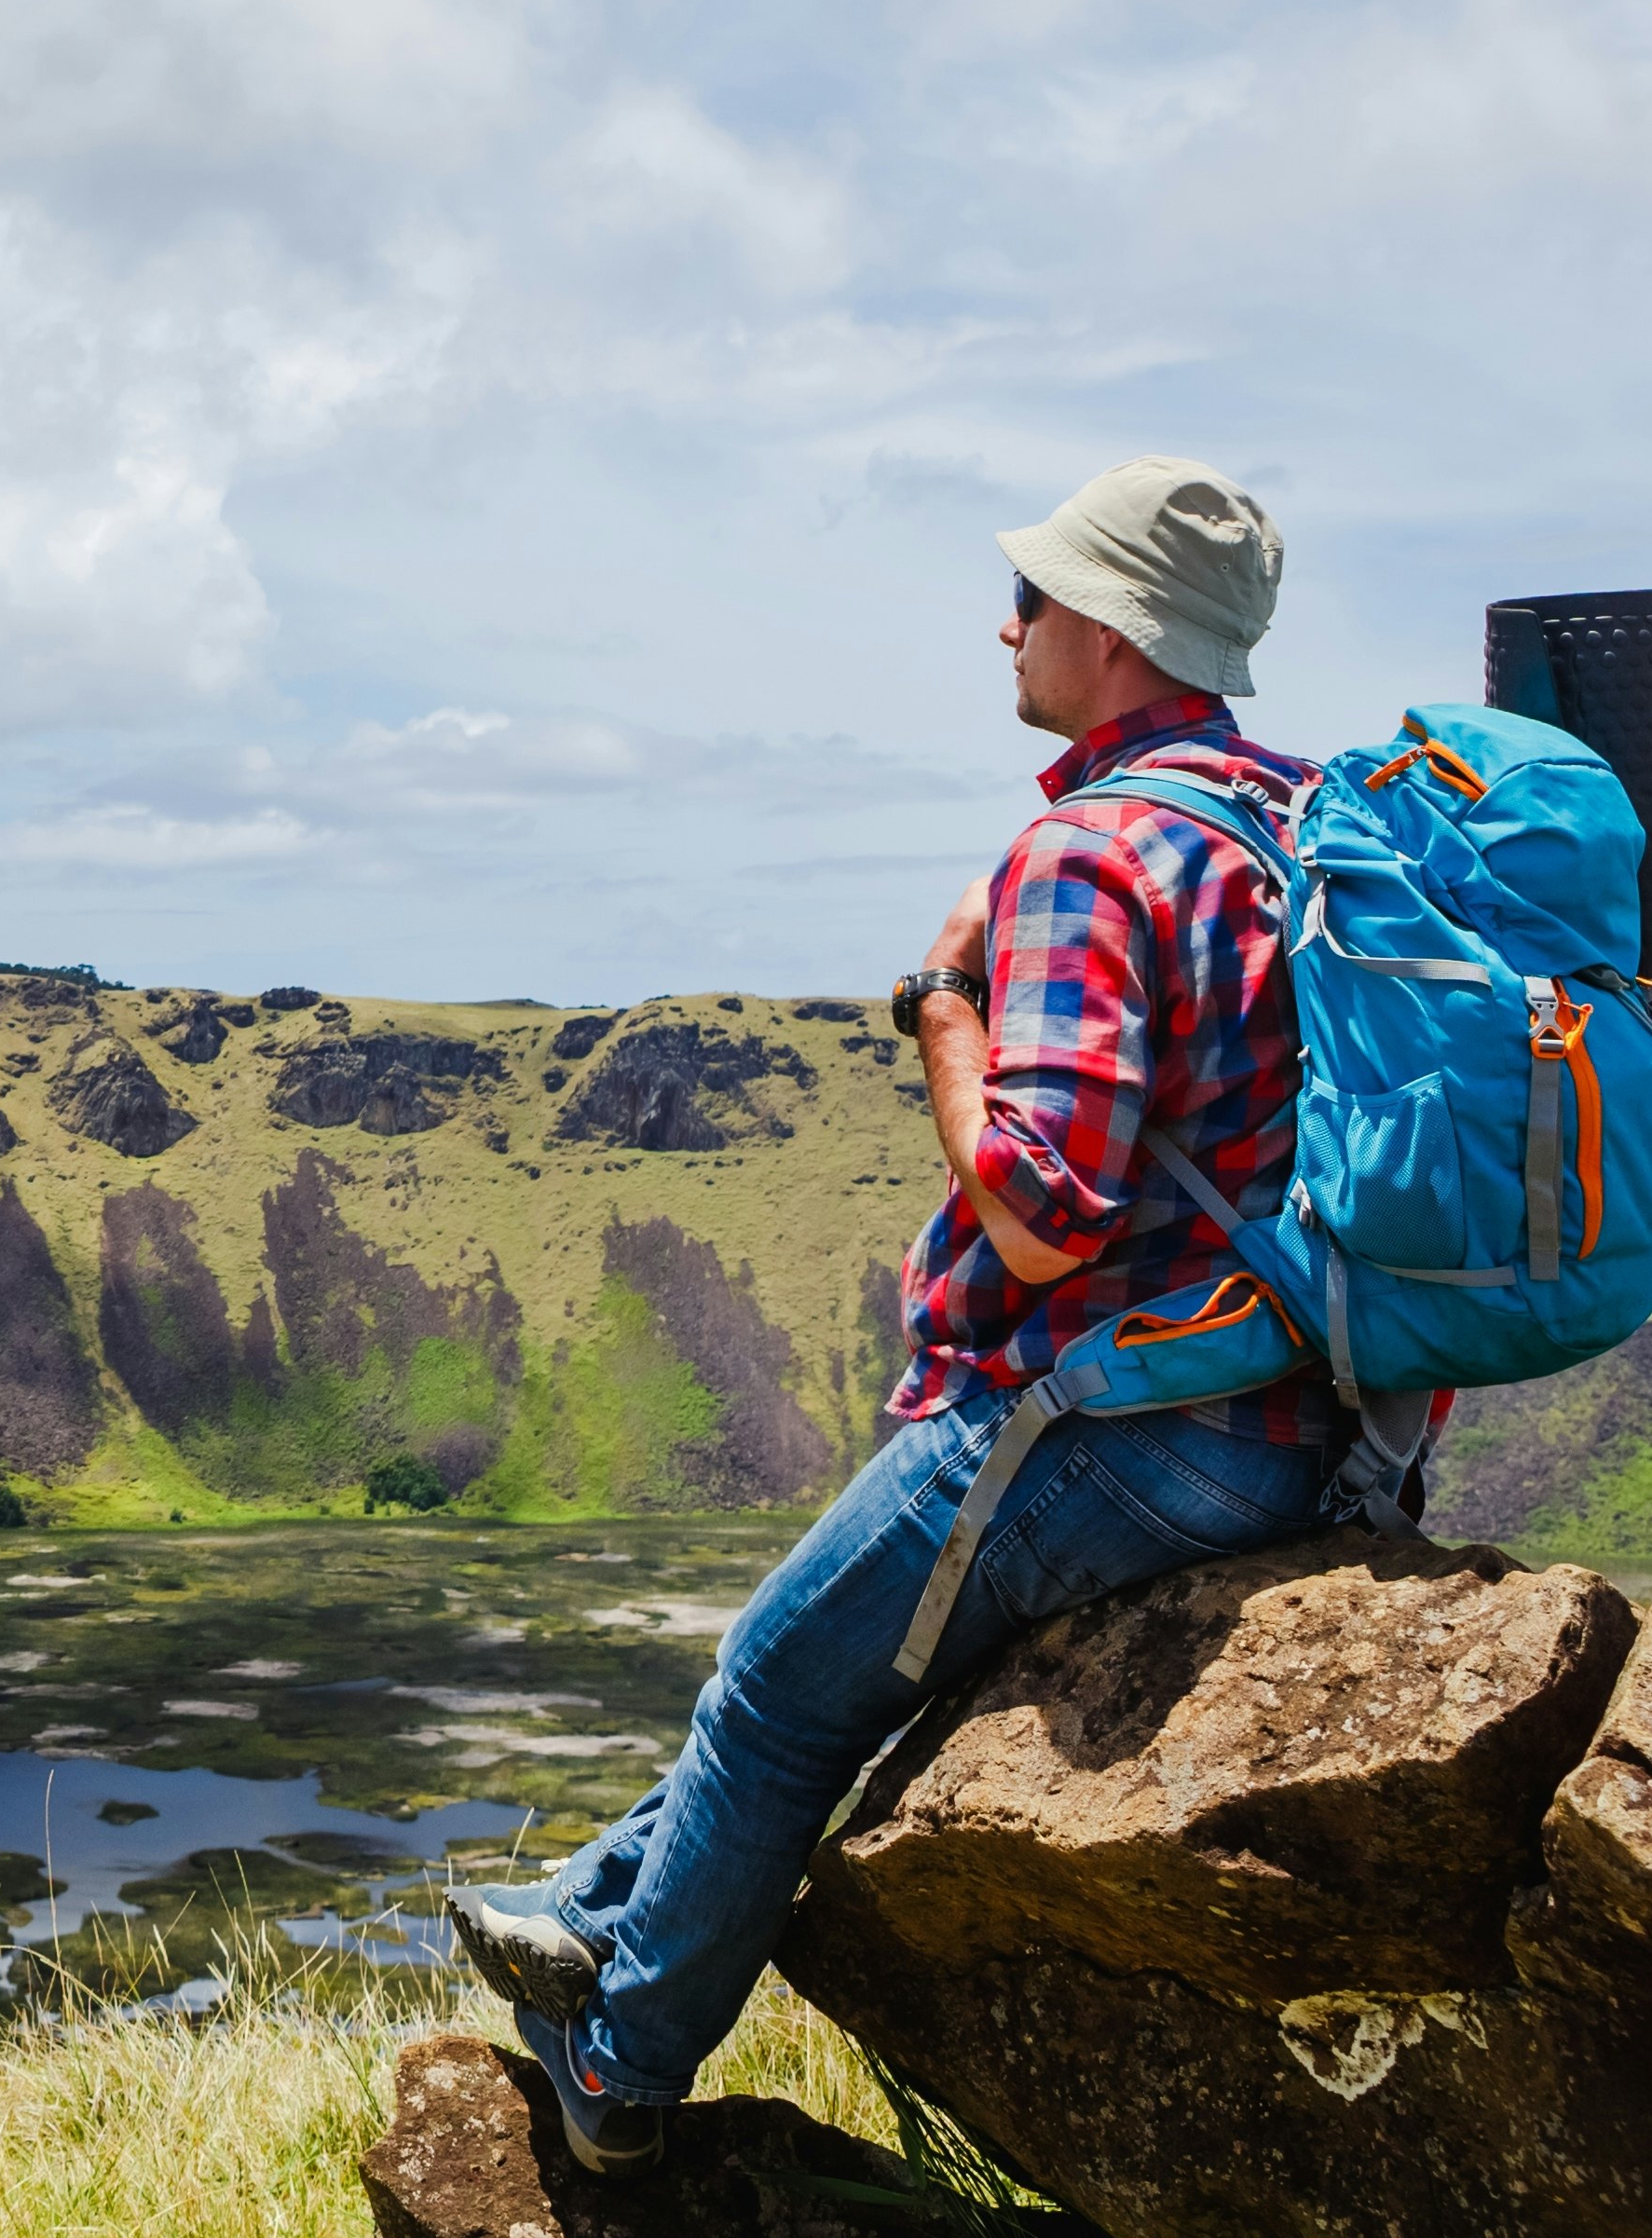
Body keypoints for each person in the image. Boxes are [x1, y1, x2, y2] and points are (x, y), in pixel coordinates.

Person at [444, 455, 1348, 2175]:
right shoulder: (1297, 821)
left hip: (1125, 1422)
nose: (1004, 622)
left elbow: (1038, 1202)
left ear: (1112, 630)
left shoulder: (1093, 849)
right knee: (823, 1686)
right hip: (1311, 1417)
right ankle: (581, 1910)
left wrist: (940, 1003)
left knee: (776, 1690)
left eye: (1035, 595)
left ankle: (616, 2071)